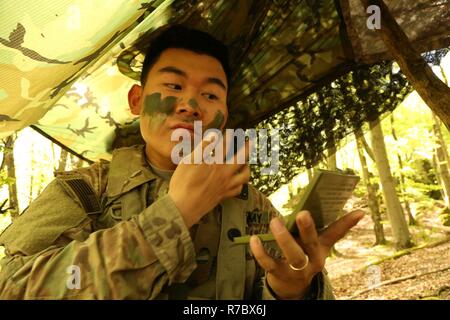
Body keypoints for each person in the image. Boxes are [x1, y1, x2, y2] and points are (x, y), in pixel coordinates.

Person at [0, 25, 364, 299]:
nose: (190, 105)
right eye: (173, 87)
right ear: (137, 101)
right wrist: (178, 213)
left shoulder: (249, 203)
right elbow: (12, 287)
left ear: (223, 115)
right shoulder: (84, 191)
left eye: (209, 94)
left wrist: (290, 290)